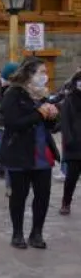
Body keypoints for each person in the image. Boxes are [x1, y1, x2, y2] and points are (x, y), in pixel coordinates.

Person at [0, 58, 59, 249]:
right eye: (41, 72)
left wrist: (52, 116)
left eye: (45, 72)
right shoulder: (13, 94)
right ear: (29, 74)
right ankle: (17, 233)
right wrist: (39, 114)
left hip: (42, 154)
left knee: (42, 196)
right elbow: (12, 123)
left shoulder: (42, 95)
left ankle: (37, 233)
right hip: (19, 152)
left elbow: (51, 126)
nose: (45, 76)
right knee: (19, 196)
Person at [59, 70, 81, 215]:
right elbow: (65, 122)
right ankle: (66, 202)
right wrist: (69, 140)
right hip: (75, 145)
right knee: (71, 177)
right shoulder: (69, 99)